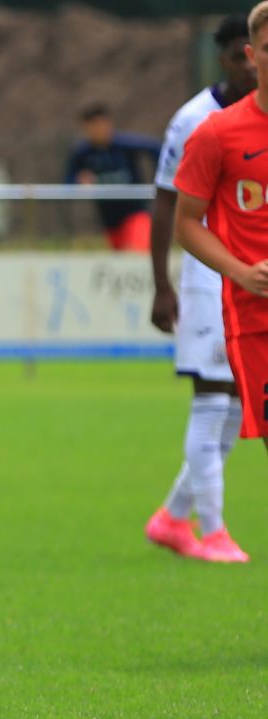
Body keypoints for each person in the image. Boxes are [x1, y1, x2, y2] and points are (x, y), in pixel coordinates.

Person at [145, 14, 255, 563]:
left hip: (251, 286)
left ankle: (172, 517)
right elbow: (168, 204)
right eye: (240, 54)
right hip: (209, 280)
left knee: (236, 407)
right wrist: (161, 285)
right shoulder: (196, 120)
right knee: (212, 402)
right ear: (230, 58)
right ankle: (212, 531)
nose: (248, 64)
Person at [175, 2, 268, 483]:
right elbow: (186, 222)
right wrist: (239, 270)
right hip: (258, 320)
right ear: (253, 55)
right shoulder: (217, 133)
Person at [65, 103, 161, 251]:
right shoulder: (82, 153)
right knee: (121, 266)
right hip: (109, 220)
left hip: (135, 213)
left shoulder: (125, 145)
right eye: (93, 126)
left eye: (101, 124)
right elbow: (67, 182)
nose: (98, 130)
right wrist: (79, 180)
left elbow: (156, 149)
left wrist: (160, 180)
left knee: (136, 254)